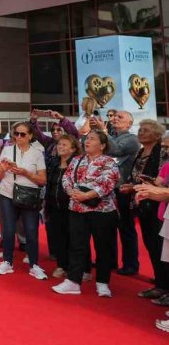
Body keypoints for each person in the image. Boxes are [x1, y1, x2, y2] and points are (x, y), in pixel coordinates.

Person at [53, 129, 120, 297]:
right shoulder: (76, 160)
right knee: (77, 245)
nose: (87, 141)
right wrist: (72, 193)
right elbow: (66, 178)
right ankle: (73, 281)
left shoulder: (109, 162)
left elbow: (108, 181)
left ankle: (103, 283)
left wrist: (87, 195)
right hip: (77, 209)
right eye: (86, 138)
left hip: (102, 210)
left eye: (92, 139)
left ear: (103, 145)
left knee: (103, 247)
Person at [0, 122, 48, 279]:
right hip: (7, 193)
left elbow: (42, 180)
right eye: (16, 133)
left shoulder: (37, 153)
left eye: (22, 134)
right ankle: (7, 262)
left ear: (30, 135)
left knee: (31, 231)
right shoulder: (8, 150)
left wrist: (24, 173)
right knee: (8, 230)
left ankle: (34, 264)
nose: (18, 137)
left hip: (29, 195)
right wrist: (2, 169)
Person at [123, 119, 169, 302]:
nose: (141, 132)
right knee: (151, 244)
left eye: (147, 130)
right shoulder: (140, 151)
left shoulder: (163, 152)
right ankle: (160, 283)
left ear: (157, 135)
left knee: (161, 247)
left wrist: (137, 186)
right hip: (143, 203)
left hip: (159, 204)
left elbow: (163, 180)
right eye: (140, 129)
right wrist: (132, 186)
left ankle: (164, 286)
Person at [93, 110, 141, 275]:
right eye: (113, 116)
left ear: (129, 124)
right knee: (107, 227)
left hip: (122, 189)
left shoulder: (132, 139)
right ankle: (109, 261)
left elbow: (115, 150)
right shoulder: (110, 136)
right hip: (106, 189)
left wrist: (103, 132)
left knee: (126, 228)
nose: (114, 119)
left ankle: (130, 264)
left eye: (120, 117)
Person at [45, 134, 82, 278]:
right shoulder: (53, 162)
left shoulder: (78, 164)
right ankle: (62, 265)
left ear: (73, 149)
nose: (60, 146)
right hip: (54, 206)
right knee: (58, 237)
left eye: (64, 144)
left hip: (73, 207)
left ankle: (79, 268)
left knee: (75, 239)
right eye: (59, 144)